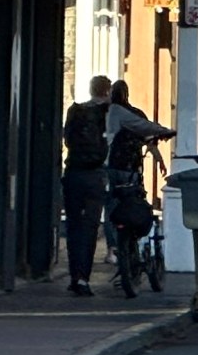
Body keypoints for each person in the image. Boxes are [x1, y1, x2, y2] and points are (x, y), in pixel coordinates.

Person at [103, 80, 176, 299]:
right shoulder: (128, 113)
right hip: (128, 169)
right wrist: (164, 140)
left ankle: (114, 249)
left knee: (111, 209)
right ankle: (130, 243)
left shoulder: (104, 113)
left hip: (106, 170)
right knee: (134, 201)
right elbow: (147, 133)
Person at [61, 76, 114, 296]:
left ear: (91, 89)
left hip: (73, 172)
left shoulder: (75, 111)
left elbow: (67, 139)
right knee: (90, 226)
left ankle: (75, 276)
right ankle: (84, 278)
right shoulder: (110, 112)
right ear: (107, 91)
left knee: (73, 226)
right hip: (95, 175)